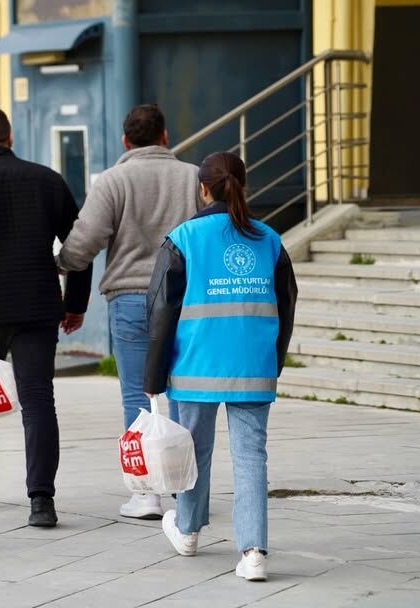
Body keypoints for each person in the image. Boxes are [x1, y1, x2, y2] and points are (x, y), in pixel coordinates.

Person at [143, 151, 297, 581]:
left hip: (196, 367)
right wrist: (275, 359)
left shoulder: (184, 238)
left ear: (203, 188)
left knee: (195, 451)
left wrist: (153, 376)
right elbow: (287, 304)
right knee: (251, 458)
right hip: (253, 367)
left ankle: (189, 530)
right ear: (242, 186)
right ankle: (253, 554)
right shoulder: (268, 240)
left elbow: (160, 311)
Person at [0, 107, 93, 528]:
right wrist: (74, 303)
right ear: (11, 138)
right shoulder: (48, 180)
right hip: (38, 307)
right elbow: (78, 245)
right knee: (38, 398)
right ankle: (41, 501)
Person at [56, 104, 199, 520]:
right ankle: (185, 486)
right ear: (165, 136)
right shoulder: (192, 177)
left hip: (132, 298)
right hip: (184, 295)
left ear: (125, 141)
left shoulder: (114, 181)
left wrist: (62, 263)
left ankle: (147, 494)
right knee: (186, 390)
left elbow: (85, 240)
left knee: (138, 394)